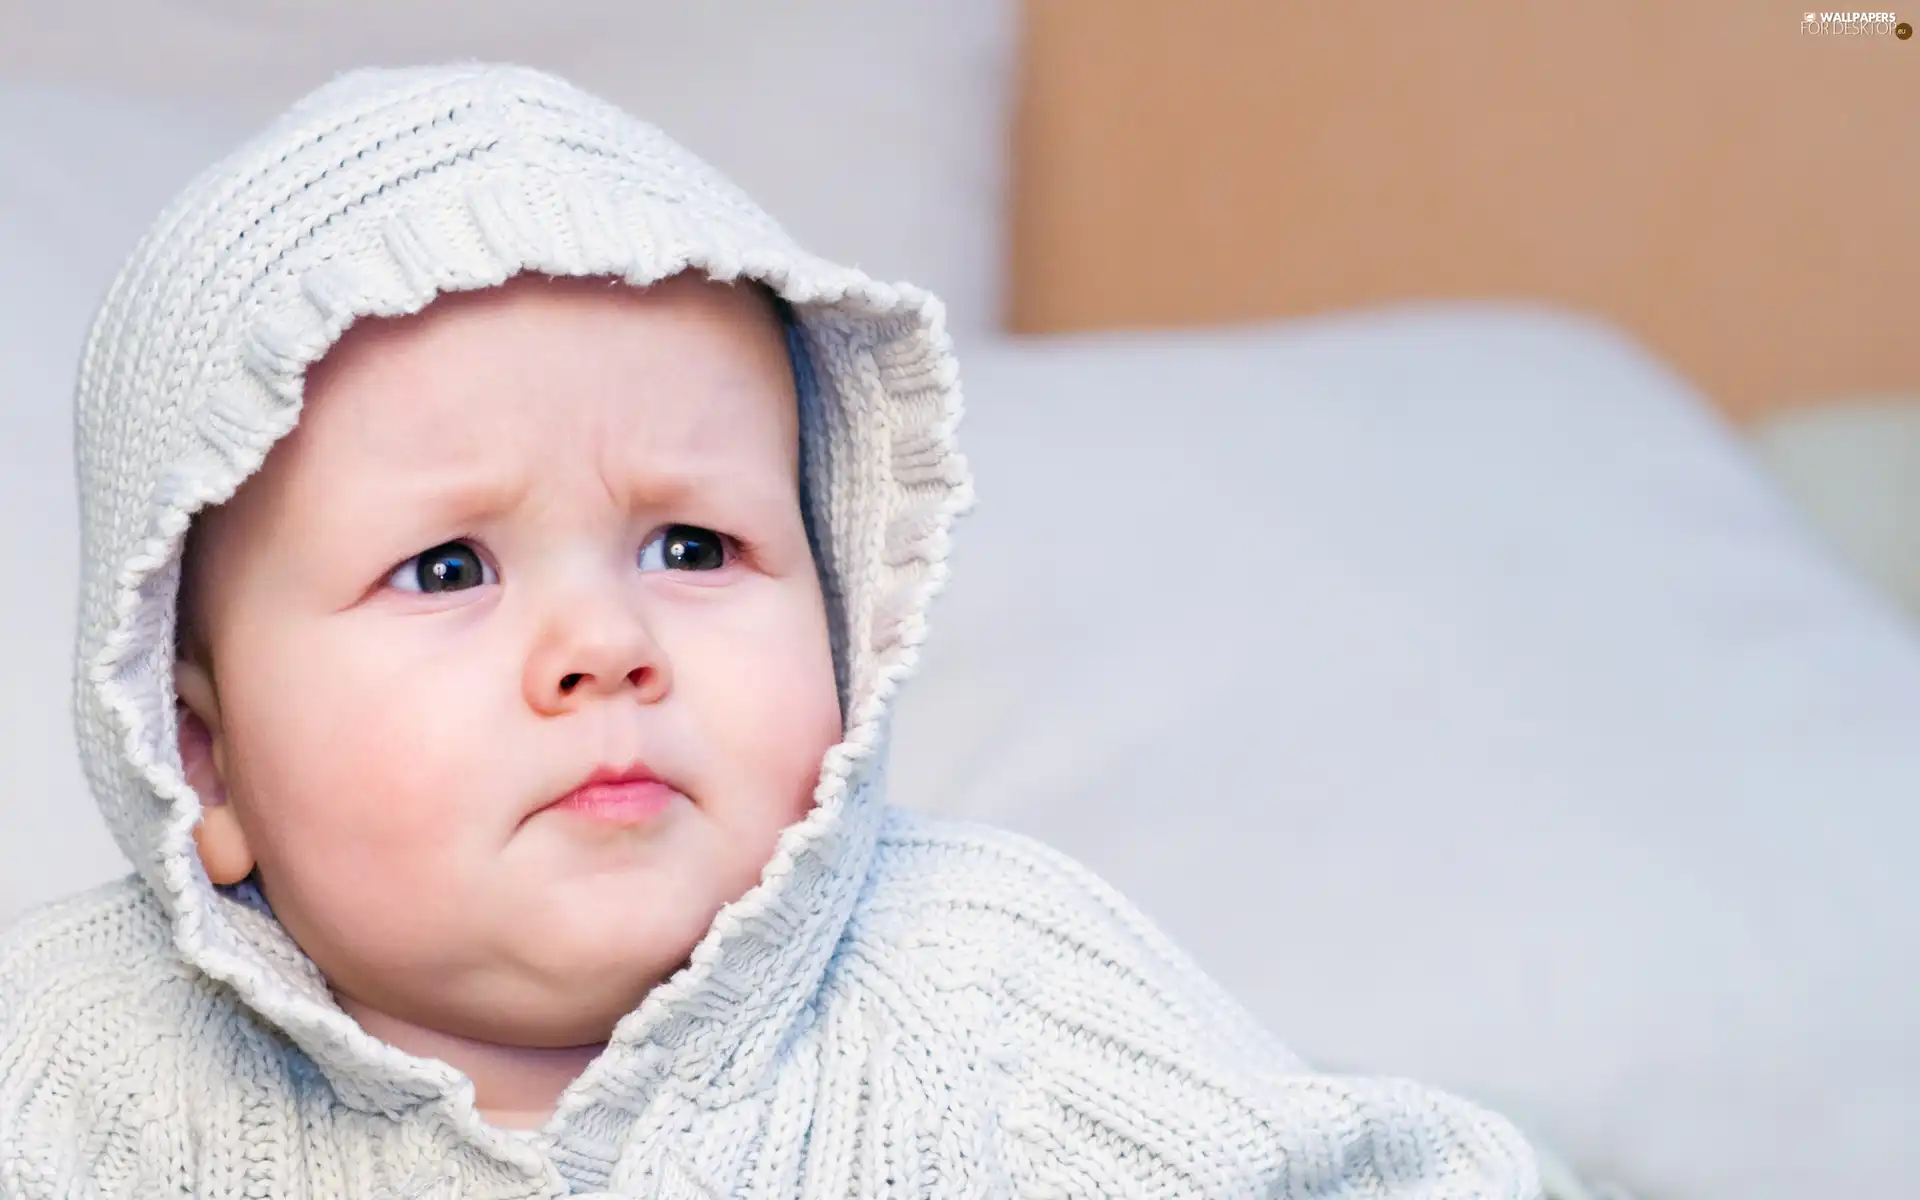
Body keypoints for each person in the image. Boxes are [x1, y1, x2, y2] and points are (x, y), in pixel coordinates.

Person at [0, 63, 1543, 1198]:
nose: (603, 645)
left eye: (693, 543)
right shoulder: (69, 1072)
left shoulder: (990, 999)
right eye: (449, 569)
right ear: (197, 757)